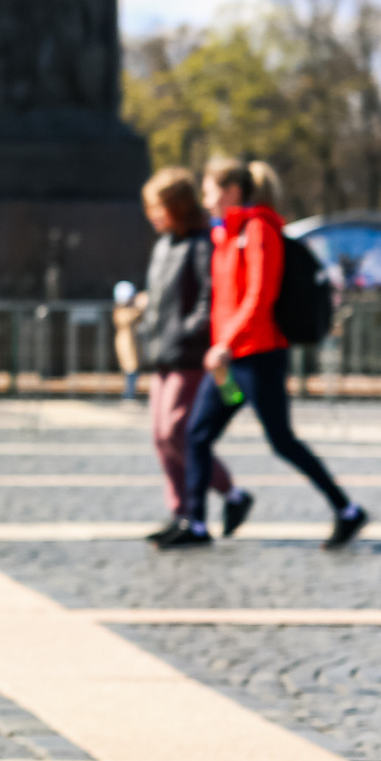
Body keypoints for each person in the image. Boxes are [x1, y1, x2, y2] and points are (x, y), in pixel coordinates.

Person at [156, 158, 368, 551]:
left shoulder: (259, 230)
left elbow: (259, 295)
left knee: (282, 441)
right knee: (197, 435)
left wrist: (226, 343)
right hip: (229, 362)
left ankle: (347, 509)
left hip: (258, 357)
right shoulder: (225, 234)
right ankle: (196, 523)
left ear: (232, 192)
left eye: (210, 190)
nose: (205, 198)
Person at [135, 168, 249, 542]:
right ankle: (181, 512)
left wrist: (186, 332)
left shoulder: (203, 243)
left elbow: (209, 298)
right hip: (162, 353)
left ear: (177, 207)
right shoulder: (164, 244)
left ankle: (231, 493)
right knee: (160, 436)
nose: (152, 216)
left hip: (189, 355)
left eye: (158, 207)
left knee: (177, 433)